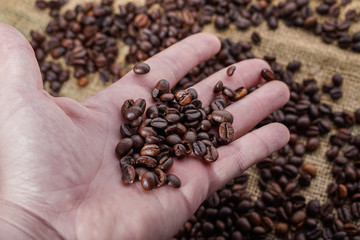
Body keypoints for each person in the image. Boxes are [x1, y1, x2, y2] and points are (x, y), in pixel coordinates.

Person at [0, 22, 290, 239]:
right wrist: (33, 222)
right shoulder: (149, 139)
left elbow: (169, 134)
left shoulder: (170, 131)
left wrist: (33, 225)